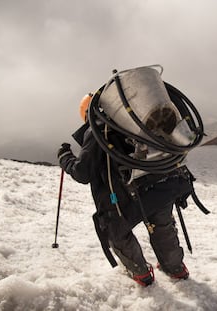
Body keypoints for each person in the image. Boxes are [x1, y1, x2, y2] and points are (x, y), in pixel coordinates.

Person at [57, 92, 192, 287]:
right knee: (162, 227)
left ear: (87, 114)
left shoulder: (98, 130)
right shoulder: (137, 123)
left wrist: (65, 157)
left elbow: (82, 172)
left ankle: (141, 273)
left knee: (116, 231)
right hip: (161, 186)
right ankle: (175, 269)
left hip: (125, 197)